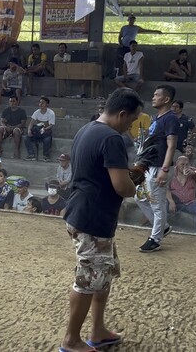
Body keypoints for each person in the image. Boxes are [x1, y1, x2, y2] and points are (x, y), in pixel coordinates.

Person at [59, 88, 142, 352]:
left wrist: (128, 174)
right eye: (131, 120)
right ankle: (71, 340)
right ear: (121, 114)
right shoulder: (111, 138)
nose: (131, 126)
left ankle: (97, 330)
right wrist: (134, 184)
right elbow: (121, 186)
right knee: (87, 279)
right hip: (93, 218)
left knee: (101, 274)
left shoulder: (87, 130)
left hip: (85, 213)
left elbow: (97, 172)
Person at [136, 85, 179, 253]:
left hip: (159, 166)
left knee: (157, 203)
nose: (153, 97)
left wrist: (165, 169)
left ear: (166, 99)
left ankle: (155, 238)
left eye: (156, 95)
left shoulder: (171, 118)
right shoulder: (156, 118)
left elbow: (172, 145)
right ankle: (163, 227)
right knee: (140, 198)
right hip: (149, 166)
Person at [166, 155, 196, 234]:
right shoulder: (171, 172)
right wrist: (171, 201)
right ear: (177, 164)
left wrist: (194, 173)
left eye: (187, 164)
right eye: (182, 164)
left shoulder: (193, 171)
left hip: (190, 203)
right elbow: (165, 188)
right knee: (163, 205)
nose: (185, 166)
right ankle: (162, 229)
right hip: (175, 203)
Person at [24, 96, 55, 162]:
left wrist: (45, 129)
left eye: (43, 103)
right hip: (37, 131)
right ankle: (31, 155)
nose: (41, 104)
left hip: (46, 132)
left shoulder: (51, 113)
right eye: (40, 102)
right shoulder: (36, 112)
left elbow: (51, 125)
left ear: (47, 104)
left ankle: (46, 156)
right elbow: (31, 123)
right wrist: (29, 130)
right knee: (26, 138)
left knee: (47, 140)